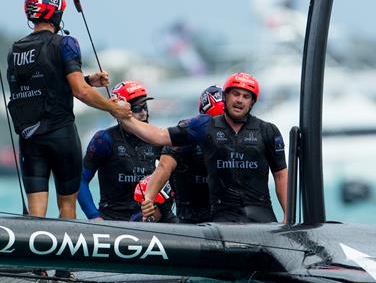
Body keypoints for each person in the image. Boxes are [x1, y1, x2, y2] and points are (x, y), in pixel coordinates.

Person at [6, 0, 131, 220]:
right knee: (67, 206)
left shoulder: (15, 50)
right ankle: (64, 256)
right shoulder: (65, 43)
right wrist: (115, 108)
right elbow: (80, 92)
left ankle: (35, 255)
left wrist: (89, 80)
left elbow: (46, 83)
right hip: (60, 134)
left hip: (29, 138)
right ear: (57, 15)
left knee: (36, 214)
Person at [121, 72, 288, 223]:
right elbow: (161, 152)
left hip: (256, 214)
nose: (239, 100)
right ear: (226, 97)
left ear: (252, 102)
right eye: (235, 94)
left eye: (245, 96)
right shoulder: (200, 126)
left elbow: (281, 175)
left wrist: (288, 216)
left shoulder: (267, 130)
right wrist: (149, 199)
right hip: (206, 217)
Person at [77, 81, 165, 221]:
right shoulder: (104, 139)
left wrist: (162, 209)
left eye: (145, 107)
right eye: (137, 108)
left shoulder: (157, 138)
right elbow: (80, 179)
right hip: (112, 221)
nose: (144, 113)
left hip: (146, 220)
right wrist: (94, 216)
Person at [140, 85, 225, 224]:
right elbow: (163, 167)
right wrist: (149, 199)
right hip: (189, 219)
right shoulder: (188, 132)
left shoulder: (240, 136)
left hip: (225, 218)